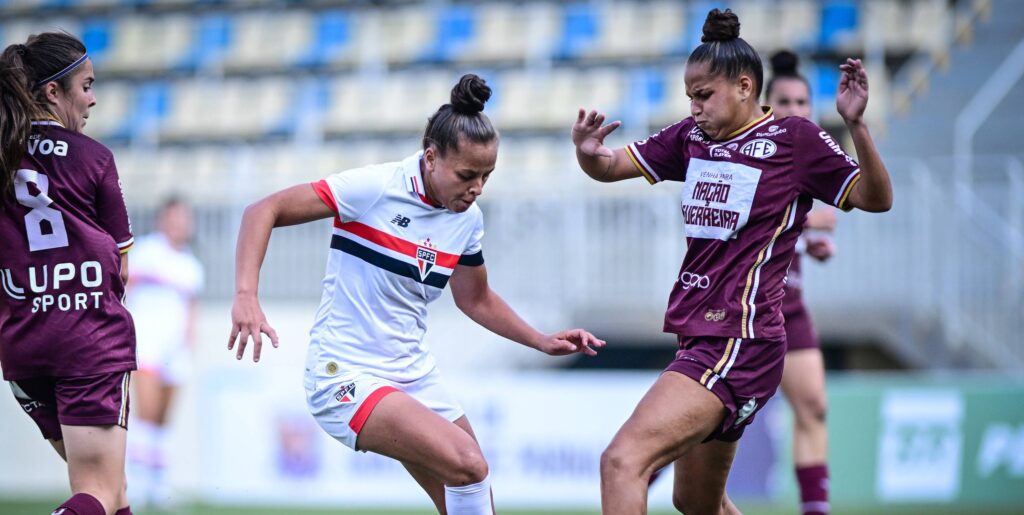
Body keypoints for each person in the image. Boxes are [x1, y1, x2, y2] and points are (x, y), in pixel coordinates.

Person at [228, 74, 605, 515]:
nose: (477, 187)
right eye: (467, 174)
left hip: (413, 373)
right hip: (345, 374)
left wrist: (541, 340)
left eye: (487, 175)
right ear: (430, 158)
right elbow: (263, 210)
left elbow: (476, 299)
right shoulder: (374, 188)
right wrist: (246, 294)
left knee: (471, 499)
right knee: (469, 464)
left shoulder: (467, 219)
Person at [571, 8, 892, 514]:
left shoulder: (795, 141)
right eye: (690, 97)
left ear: (745, 86)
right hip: (704, 338)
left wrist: (857, 124)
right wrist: (589, 153)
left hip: (739, 341)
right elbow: (610, 167)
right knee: (698, 505)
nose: (694, 107)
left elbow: (875, 198)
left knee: (622, 460)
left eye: (704, 95)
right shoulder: (690, 138)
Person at [0, 33, 135, 515]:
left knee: (110, 492)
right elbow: (120, 263)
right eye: (86, 85)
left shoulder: (2, 157)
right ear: (53, 93)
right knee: (99, 490)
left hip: (23, 344)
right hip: (87, 339)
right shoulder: (93, 157)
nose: (93, 97)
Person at [766, 50, 837, 515]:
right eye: (784, 102)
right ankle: (652, 461)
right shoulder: (753, 152)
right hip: (739, 308)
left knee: (813, 408)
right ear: (766, 108)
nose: (795, 111)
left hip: (788, 305)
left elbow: (827, 220)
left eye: (802, 102)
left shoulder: (813, 160)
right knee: (706, 419)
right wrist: (810, 227)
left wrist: (814, 244)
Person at [125, 196, 203, 509]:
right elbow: (124, 284)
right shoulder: (146, 251)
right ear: (162, 220)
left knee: (163, 420)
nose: (180, 224)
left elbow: (191, 308)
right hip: (147, 344)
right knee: (145, 414)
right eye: (175, 217)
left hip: (175, 350)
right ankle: (135, 487)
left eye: (184, 218)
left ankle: (159, 487)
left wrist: (189, 340)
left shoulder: (191, 265)